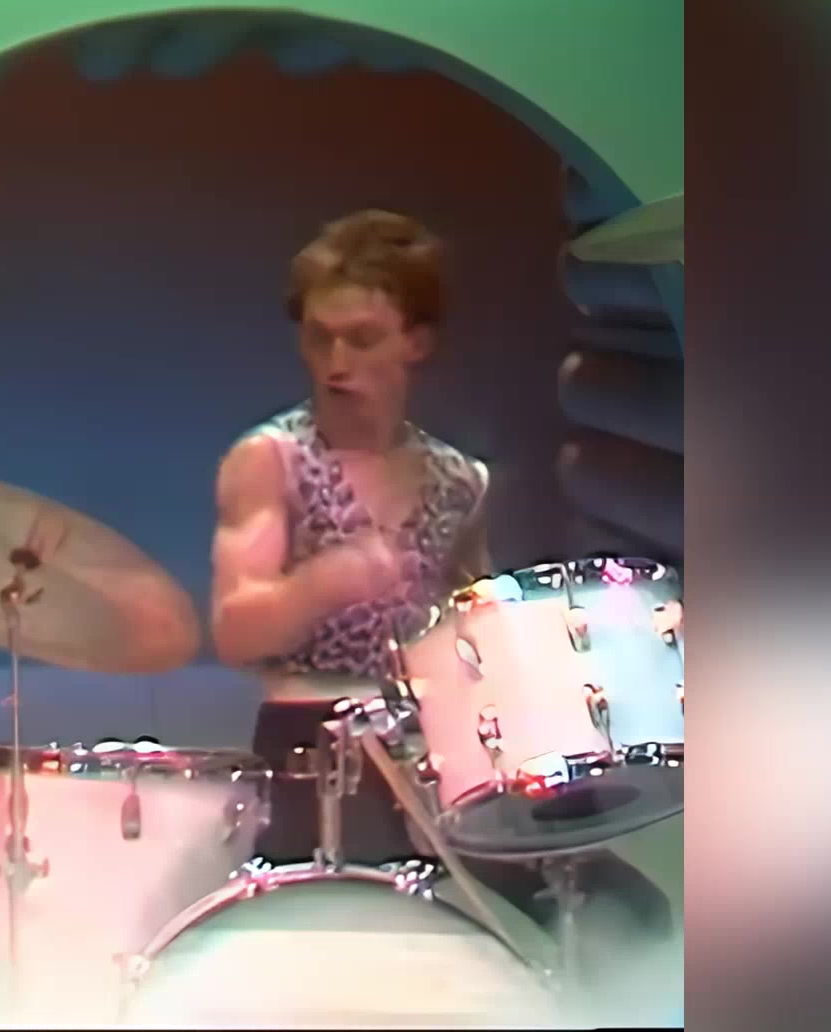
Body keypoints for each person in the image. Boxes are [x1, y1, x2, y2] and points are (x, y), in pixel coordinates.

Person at [208, 210, 670, 942]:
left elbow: (472, 643)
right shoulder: (272, 462)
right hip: (316, 756)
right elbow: (236, 631)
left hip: (439, 762)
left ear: (415, 342)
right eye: (320, 336)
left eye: (362, 338)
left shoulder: (459, 479)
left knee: (624, 916)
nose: (335, 361)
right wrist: (322, 582)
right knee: (386, 938)